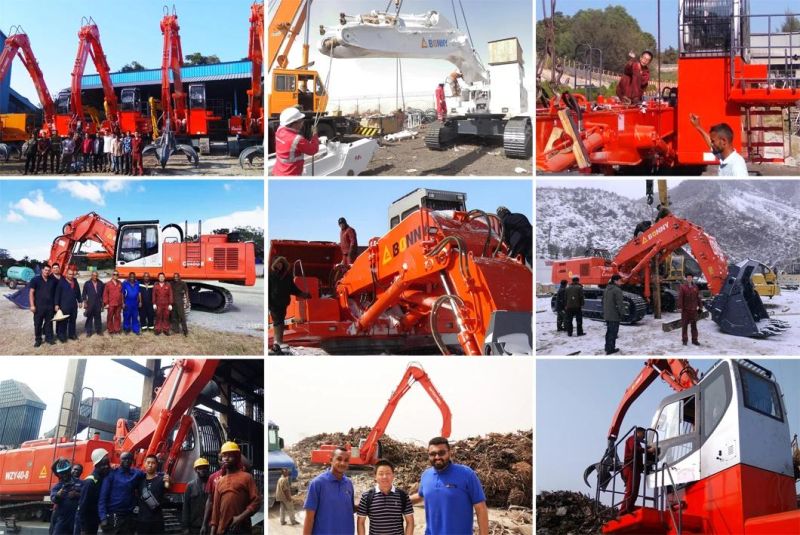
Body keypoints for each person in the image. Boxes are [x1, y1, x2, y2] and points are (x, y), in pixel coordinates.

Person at [411, 437, 488, 535]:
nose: (437, 457)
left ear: (450, 453)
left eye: (441, 453)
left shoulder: (466, 474)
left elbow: (481, 508)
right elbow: (421, 495)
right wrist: (398, 500)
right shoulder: (426, 475)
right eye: (433, 454)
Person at [209, 442, 261, 535]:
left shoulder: (247, 477)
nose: (226, 458)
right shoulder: (220, 482)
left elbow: (256, 502)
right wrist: (213, 532)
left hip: (242, 529)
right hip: (223, 530)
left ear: (237, 457)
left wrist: (240, 517)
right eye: (224, 455)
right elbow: (215, 510)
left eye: (230, 455)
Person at [303, 446, 355, 535]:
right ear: (331, 460)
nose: (342, 463)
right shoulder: (317, 483)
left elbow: (349, 508)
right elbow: (309, 518)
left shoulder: (348, 483)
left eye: (346, 460)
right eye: (339, 459)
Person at [357, 459, 413, 535]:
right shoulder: (367, 496)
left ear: (393, 475)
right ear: (375, 476)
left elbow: (410, 522)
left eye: (388, 473)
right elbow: (360, 522)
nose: (384, 476)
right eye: (381, 473)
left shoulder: (402, 495)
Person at [268, 256, 311, 355]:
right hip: (273, 303)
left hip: (283, 302)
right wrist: (269, 303)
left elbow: (294, 289)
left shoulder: (287, 277)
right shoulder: (271, 276)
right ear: (275, 264)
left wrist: (304, 295)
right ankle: (278, 341)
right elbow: (268, 290)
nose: (280, 265)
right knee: (278, 321)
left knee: (280, 321)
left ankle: (279, 341)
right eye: (278, 263)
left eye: (281, 263)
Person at [98, 451, 144, 534]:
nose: (127, 461)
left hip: (128, 517)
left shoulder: (136, 473)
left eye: (129, 459)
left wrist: (164, 476)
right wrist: (103, 517)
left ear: (132, 461)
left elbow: (150, 474)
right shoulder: (111, 474)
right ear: (120, 460)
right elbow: (102, 497)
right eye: (124, 459)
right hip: (113, 516)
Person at [273, 107, 320, 176]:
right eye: (301, 121)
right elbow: (313, 150)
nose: (302, 123)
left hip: (278, 172)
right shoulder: (297, 139)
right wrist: (314, 135)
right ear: (293, 123)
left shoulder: (280, 130)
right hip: (291, 174)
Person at [75, 448, 111, 535]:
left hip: (93, 520)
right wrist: (83, 529)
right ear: (96, 465)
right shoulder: (90, 482)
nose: (106, 466)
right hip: (86, 522)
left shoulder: (102, 478)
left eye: (107, 464)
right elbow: (82, 506)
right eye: (103, 464)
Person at [620, 427, 655, 515]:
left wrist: (643, 466)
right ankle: (623, 512)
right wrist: (648, 450)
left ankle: (629, 508)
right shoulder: (632, 439)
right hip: (630, 467)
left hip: (636, 469)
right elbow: (635, 450)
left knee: (634, 491)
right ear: (638, 433)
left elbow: (637, 454)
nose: (644, 437)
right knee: (631, 490)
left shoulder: (637, 442)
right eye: (643, 434)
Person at [136, 454, 170, 534]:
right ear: (144, 463)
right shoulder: (139, 480)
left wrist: (169, 480)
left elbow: (168, 486)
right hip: (142, 520)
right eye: (148, 462)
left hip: (157, 521)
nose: (150, 465)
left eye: (153, 463)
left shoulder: (162, 479)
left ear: (156, 465)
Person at [49, 459, 82, 535]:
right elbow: (54, 499)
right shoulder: (58, 486)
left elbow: (86, 496)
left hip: (75, 519)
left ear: (69, 470)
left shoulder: (80, 483)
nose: (64, 475)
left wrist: (76, 494)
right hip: (62, 519)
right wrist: (58, 496)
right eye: (62, 474)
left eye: (66, 473)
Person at [29, 263, 58, 347]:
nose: (47, 272)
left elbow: (59, 288)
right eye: (46, 270)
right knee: (38, 324)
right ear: (42, 270)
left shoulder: (53, 280)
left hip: (50, 307)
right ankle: (38, 339)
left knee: (49, 323)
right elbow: (31, 292)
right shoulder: (35, 280)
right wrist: (32, 305)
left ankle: (49, 338)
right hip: (39, 307)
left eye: (49, 270)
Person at [182, 458, 210, 535]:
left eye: (205, 467)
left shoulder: (213, 483)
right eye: (200, 468)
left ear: (208, 468)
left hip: (210, 525)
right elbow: (186, 507)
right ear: (196, 470)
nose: (203, 470)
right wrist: (185, 528)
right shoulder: (190, 486)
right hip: (194, 526)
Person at [54, 266, 81, 342]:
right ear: (66, 274)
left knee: (73, 320)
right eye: (69, 274)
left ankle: (72, 334)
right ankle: (62, 336)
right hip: (64, 305)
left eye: (72, 274)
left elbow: (78, 292)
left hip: (73, 305)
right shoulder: (61, 282)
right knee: (63, 321)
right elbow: (57, 294)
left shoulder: (75, 281)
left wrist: (80, 301)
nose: (71, 276)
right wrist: (56, 304)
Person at [603, 274, 626, 354]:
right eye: (620, 280)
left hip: (608, 314)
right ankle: (610, 349)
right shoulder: (617, 290)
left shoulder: (607, 289)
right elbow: (620, 303)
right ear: (615, 281)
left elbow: (604, 302)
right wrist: (622, 313)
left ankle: (607, 347)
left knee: (609, 332)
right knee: (613, 332)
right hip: (614, 315)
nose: (621, 282)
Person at [678, 273, 702, 346]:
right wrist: (680, 307)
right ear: (686, 278)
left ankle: (694, 340)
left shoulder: (695, 287)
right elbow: (680, 298)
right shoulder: (683, 287)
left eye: (690, 277)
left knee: (694, 326)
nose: (689, 278)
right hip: (685, 310)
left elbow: (698, 298)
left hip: (693, 310)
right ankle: (684, 340)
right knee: (684, 326)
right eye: (688, 277)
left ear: (692, 278)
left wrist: (700, 307)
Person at [82, 270, 105, 337]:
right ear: (91, 276)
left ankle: (99, 331)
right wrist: (85, 302)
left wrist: (103, 304)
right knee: (89, 317)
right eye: (94, 275)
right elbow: (84, 294)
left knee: (98, 317)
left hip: (98, 303)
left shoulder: (101, 283)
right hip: (90, 303)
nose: (95, 277)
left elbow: (103, 294)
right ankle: (89, 332)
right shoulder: (87, 283)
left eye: (96, 275)